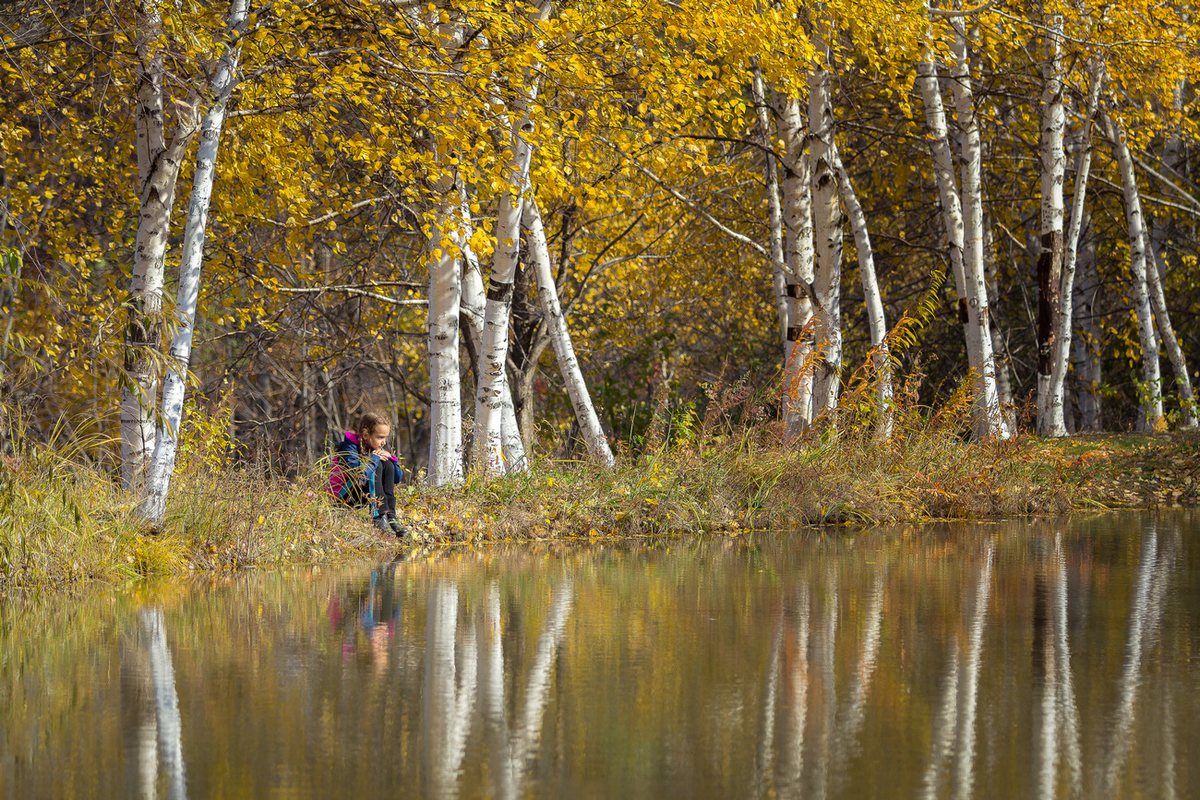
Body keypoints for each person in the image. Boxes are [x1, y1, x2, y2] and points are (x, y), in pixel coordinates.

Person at [328, 411, 408, 537]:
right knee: (375, 467)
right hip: (342, 497)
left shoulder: (373, 449)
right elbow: (361, 475)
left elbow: (397, 479)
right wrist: (374, 459)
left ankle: (391, 517)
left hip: (360, 492)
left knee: (385, 464)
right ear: (366, 435)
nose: (384, 442)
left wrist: (392, 460)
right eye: (380, 437)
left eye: (385, 438)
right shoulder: (349, 448)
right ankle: (379, 517)